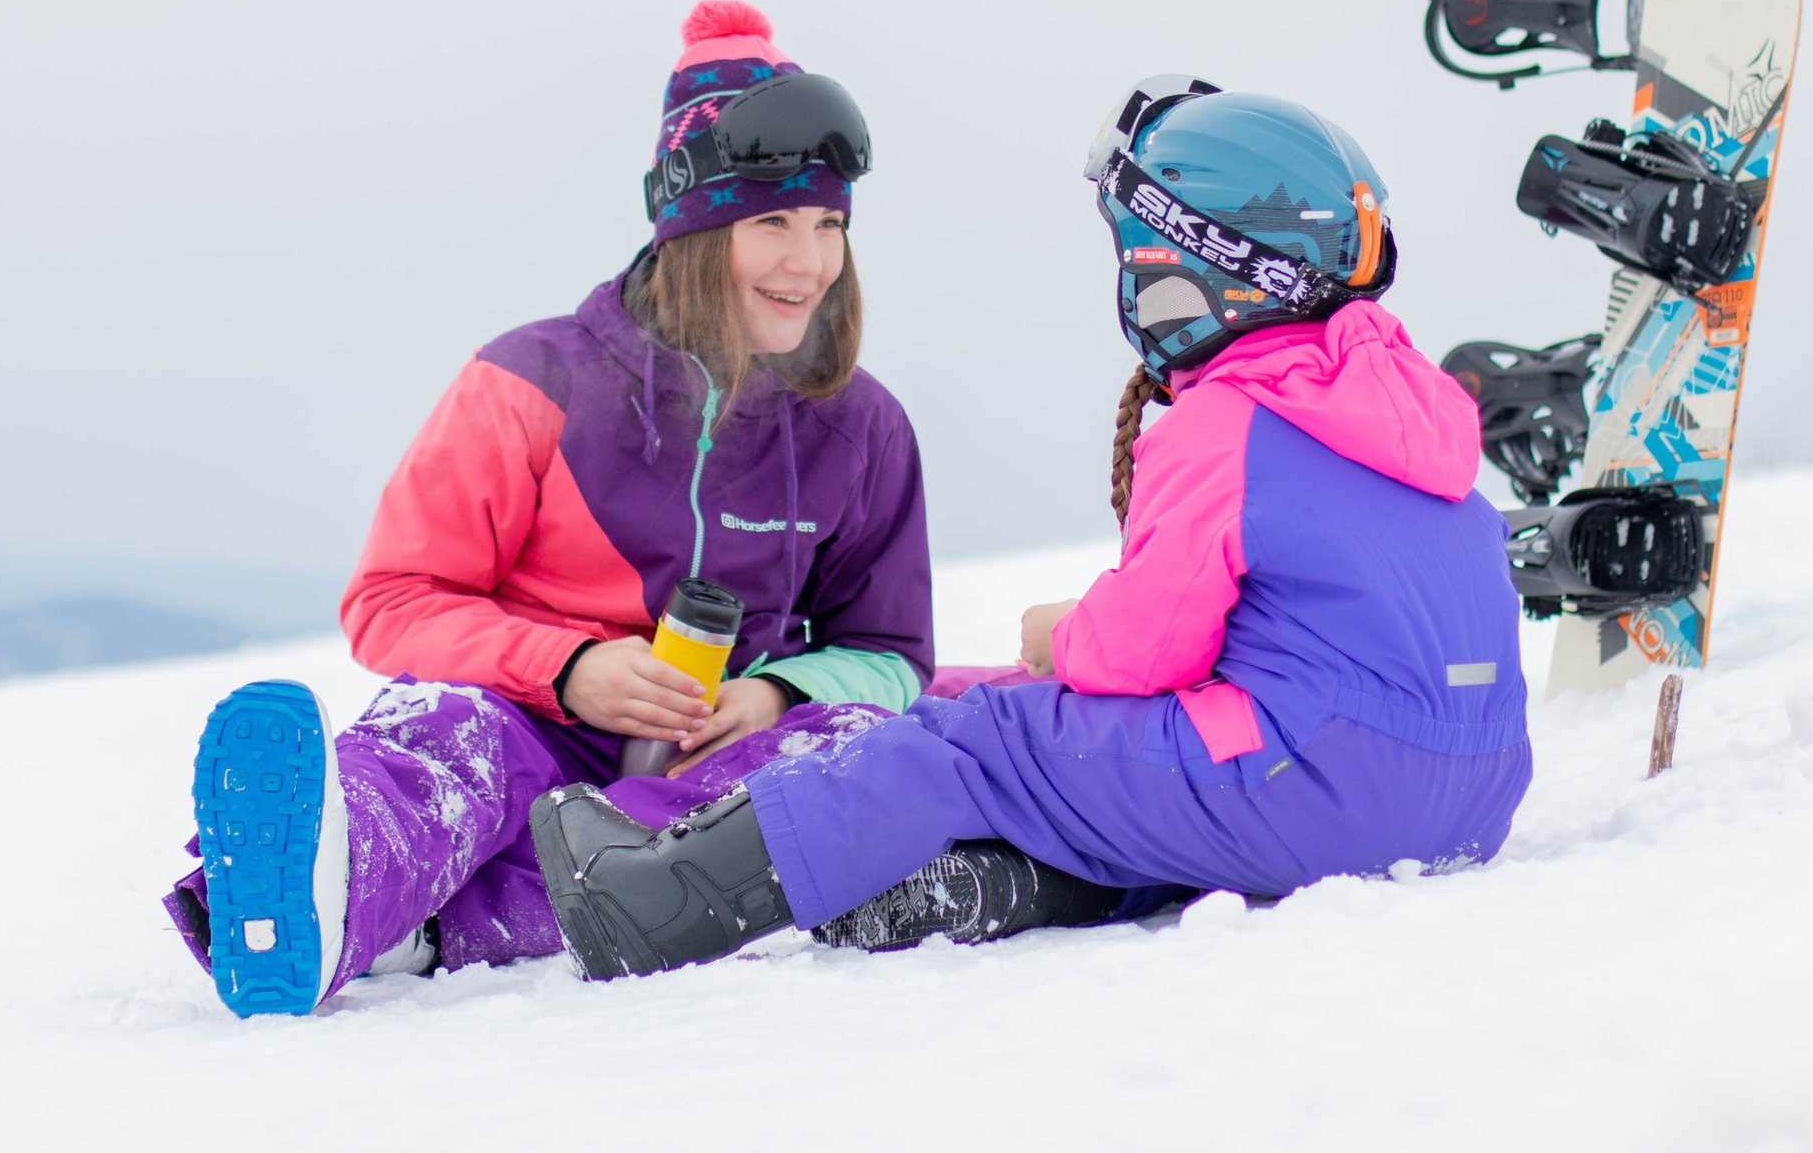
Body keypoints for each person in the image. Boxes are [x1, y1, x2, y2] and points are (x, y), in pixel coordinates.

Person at [531, 81, 1533, 978]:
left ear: (1195, 266)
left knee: (972, 736)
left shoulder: (1231, 424)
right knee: (1057, 735)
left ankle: (658, 902)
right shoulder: (1403, 412)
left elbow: (1148, 650)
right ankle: (998, 889)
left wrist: (1063, 639)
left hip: (1313, 778)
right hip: (1466, 792)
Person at [165, 0, 934, 1016]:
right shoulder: (530, 383)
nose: (809, 263)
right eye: (772, 223)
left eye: (829, 225)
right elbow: (392, 600)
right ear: (695, 231)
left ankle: (418, 928)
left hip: (708, 760)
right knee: (444, 729)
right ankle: (324, 868)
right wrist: (567, 670)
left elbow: (889, 651)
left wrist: (774, 697)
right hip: (529, 725)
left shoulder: (860, 429)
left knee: (824, 757)